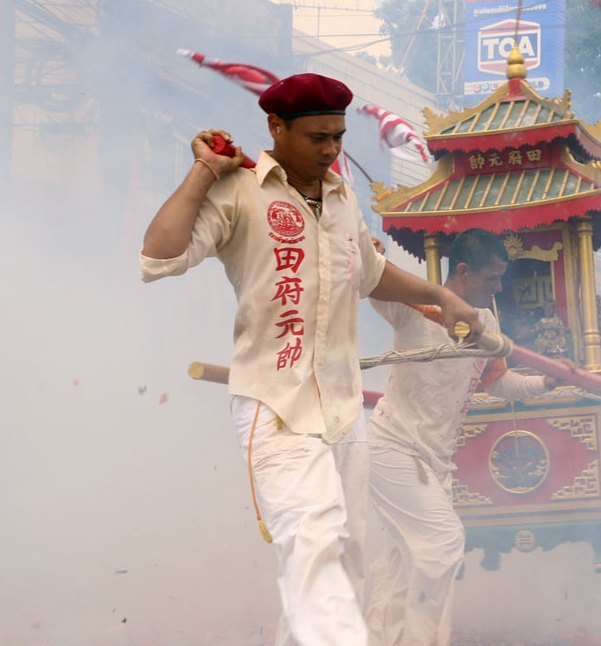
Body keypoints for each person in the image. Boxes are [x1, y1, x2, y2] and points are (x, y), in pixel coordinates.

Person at [139, 72, 481, 646]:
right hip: (274, 407)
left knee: (341, 559)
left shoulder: (345, 200)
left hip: (345, 415)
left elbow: (371, 278)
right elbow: (158, 257)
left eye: (338, 139)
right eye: (318, 137)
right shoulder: (240, 188)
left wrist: (440, 295)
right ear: (277, 127)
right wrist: (204, 171)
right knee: (314, 539)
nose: (330, 151)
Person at [363, 229, 553, 646]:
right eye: (492, 279)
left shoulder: (489, 321)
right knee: (442, 544)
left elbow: (498, 383)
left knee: (403, 560)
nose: (499, 287)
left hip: (435, 461)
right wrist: (370, 254)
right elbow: (369, 279)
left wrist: (545, 384)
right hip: (394, 445)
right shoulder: (413, 302)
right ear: (463, 272)